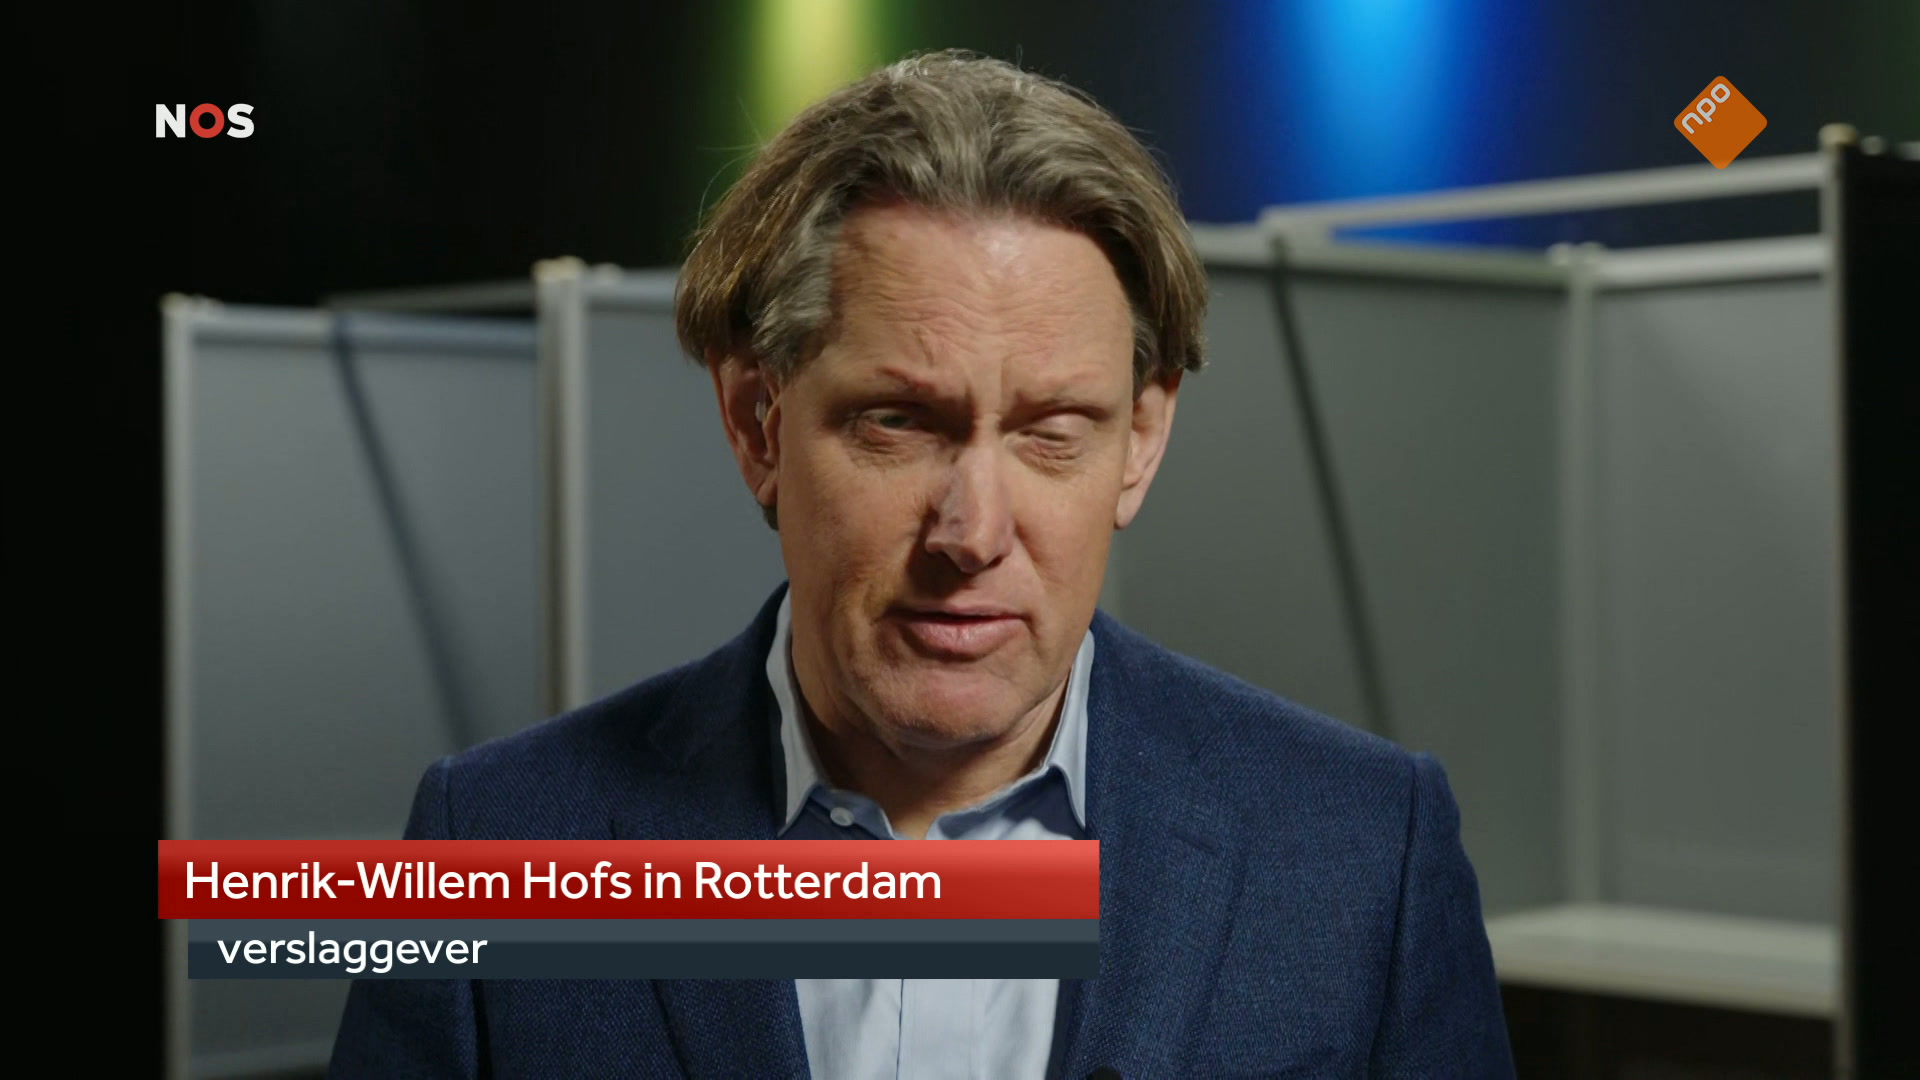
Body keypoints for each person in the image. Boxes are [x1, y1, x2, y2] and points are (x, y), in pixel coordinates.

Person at [331, 49, 1514, 1079]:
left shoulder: (1364, 853)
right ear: (757, 424)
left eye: (1053, 432)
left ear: (1142, 442)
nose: (972, 532)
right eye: (899, 423)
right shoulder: (493, 841)